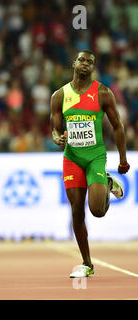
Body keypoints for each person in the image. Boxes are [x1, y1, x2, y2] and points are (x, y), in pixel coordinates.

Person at [50, 50, 130, 278]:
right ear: (73, 63)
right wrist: (57, 137)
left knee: (97, 211)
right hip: (72, 158)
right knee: (77, 212)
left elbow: (117, 126)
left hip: (95, 156)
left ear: (93, 68)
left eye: (90, 62)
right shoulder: (59, 95)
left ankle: (105, 179)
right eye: (82, 60)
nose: (85, 64)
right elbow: (55, 129)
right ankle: (87, 264)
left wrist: (123, 159)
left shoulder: (103, 93)